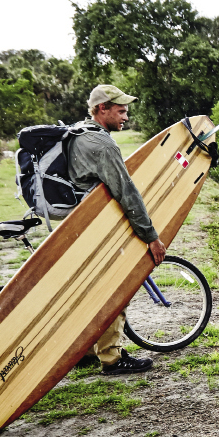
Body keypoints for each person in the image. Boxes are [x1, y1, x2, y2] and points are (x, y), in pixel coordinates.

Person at [65, 84, 167, 375]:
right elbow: (126, 193)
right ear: (102, 109)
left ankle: (85, 350)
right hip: (95, 226)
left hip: (76, 223)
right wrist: (151, 237)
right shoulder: (104, 146)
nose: (126, 117)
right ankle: (111, 358)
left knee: (90, 288)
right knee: (115, 286)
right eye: (121, 111)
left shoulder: (78, 132)